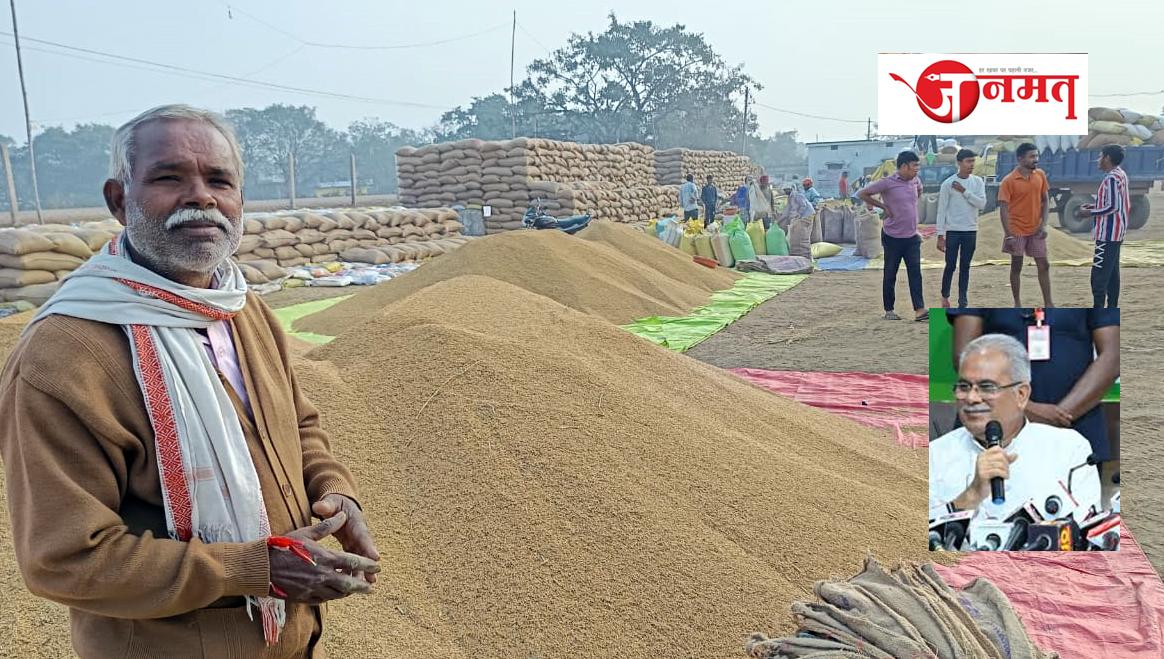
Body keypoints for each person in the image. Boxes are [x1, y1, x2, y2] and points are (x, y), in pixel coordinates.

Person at [0, 104, 381, 658]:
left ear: (240, 202)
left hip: (288, 638)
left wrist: (335, 492)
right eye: (169, 177)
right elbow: (65, 560)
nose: (200, 196)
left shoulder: (241, 307)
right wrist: (255, 568)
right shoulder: (61, 358)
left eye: (219, 180)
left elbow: (297, 423)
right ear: (117, 199)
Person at [929, 333, 1101, 529]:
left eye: (987, 387)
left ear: (1021, 395)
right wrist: (971, 495)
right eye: (963, 387)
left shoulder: (1068, 449)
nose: (972, 398)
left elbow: (1087, 536)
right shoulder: (934, 455)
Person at [947, 308, 1119, 464]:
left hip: (1075, 425)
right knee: (978, 496)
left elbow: (1114, 356)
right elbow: (966, 356)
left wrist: (1060, 416)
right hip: (992, 429)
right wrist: (1023, 409)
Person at [858, 150, 927, 322]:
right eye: (914, 168)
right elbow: (863, 194)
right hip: (892, 236)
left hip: (912, 236)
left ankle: (920, 310)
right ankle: (889, 310)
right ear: (903, 166)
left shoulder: (915, 181)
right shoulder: (887, 183)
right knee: (890, 273)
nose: (916, 171)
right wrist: (883, 207)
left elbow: (919, 191)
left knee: (915, 273)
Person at [999, 142, 1053, 308]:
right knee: (1017, 266)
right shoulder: (1009, 181)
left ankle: (1048, 303)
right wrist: (1008, 234)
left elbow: (1045, 201)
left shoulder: (1040, 175)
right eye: (1031, 157)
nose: (1035, 160)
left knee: (1044, 265)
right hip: (1016, 230)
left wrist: (1043, 225)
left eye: (1036, 156)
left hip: (1036, 229)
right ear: (1020, 159)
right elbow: (1004, 209)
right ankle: (1017, 303)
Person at [1076, 144, 1129, 308]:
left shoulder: (1111, 178)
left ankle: (1098, 313)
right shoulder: (1120, 174)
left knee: (1098, 277)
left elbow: (1113, 206)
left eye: (1100, 156)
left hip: (1107, 234)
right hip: (1117, 232)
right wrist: (1095, 205)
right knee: (1112, 274)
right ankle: (1111, 309)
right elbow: (1114, 203)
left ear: (1107, 158)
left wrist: (1090, 213)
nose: (1098, 160)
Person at [936, 149, 987, 308]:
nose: (971, 164)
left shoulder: (977, 182)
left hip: (971, 230)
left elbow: (981, 204)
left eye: (973, 161)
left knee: (965, 266)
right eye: (968, 161)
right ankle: (945, 297)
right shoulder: (948, 184)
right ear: (959, 163)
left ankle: (963, 301)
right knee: (950, 265)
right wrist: (940, 235)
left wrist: (964, 191)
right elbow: (941, 210)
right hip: (953, 231)